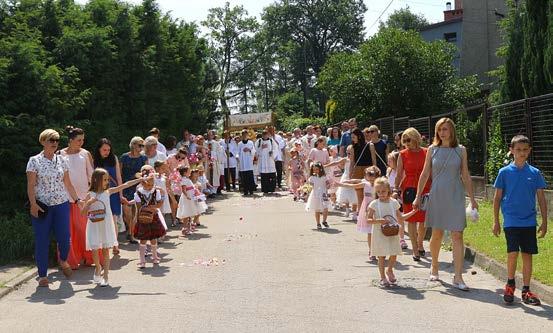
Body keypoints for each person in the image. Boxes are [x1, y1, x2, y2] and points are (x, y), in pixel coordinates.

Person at [414, 118, 478, 291]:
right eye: (440, 129)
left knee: (457, 235)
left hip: (456, 196)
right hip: (437, 195)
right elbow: (425, 173)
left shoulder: (461, 150)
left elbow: (465, 175)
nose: (442, 132)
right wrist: (417, 196)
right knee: (436, 234)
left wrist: (472, 199)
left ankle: (458, 276)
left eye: (446, 129)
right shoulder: (432, 150)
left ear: (452, 131)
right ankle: (434, 266)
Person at [493, 135, 548, 305]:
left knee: (527, 255)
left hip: (529, 222)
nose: (522, 153)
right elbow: (497, 198)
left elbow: (541, 199)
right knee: (512, 253)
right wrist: (495, 221)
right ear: (511, 150)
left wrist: (544, 221)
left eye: (525, 150)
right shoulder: (504, 173)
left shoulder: (535, 173)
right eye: (518, 150)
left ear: (529, 151)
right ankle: (510, 284)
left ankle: (526, 290)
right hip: (511, 220)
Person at [26, 129, 81, 287]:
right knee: (42, 240)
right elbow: (30, 185)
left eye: (56, 140)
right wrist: (33, 204)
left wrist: (77, 200)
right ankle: (42, 275)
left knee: (65, 238)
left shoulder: (62, 160)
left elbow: (68, 183)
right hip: (42, 206)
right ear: (43, 141)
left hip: (62, 204)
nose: (54, 143)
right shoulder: (34, 161)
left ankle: (63, 260)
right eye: (51, 140)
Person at [82, 168, 144, 286]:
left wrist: (139, 179)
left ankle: (106, 274)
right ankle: (98, 267)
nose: (107, 182)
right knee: (95, 250)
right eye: (104, 179)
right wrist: (89, 203)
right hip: (94, 225)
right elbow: (82, 213)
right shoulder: (90, 195)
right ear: (96, 180)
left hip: (106, 224)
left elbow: (125, 185)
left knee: (106, 250)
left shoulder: (107, 192)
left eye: (107, 179)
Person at [367, 177, 417, 287]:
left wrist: (413, 212)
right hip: (380, 233)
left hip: (393, 232)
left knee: (394, 253)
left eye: (383, 191)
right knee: (381, 256)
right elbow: (368, 219)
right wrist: (378, 220)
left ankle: (389, 270)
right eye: (378, 192)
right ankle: (382, 277)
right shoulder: (374, 204)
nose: (381, 194)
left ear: (388, 190)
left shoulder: (394, 203)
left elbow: (401, 218)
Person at [60, 126, 95, 269]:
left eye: (83, 140)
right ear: (70, 140)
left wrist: (91, 194)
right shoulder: (60, 154)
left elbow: (91, 175)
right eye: (78, 140)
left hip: (83, 198)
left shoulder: (85, 154)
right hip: (65, 197)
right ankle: (69, 260)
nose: (81, 142)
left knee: (84, 229)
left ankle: (88, 257)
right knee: (68, 230)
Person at [394, 128, 430, 260]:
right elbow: (398, 174)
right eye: (404, 140)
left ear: (415, 138)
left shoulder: (427, 152)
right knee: (412, 219)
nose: (406, 143)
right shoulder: (402, 154)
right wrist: (395, 189)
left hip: (426, 187)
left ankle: (420, 243)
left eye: (408, 139)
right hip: (409, 188)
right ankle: (415, 249)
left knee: (423, 219)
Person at [337, 166, 380, 260]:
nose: (371, 176)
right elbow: (353, 185)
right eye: (369, 174)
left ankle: (379, 250)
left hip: (378, 208)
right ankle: (371, 251)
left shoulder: (379, 184)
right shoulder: (365, 184)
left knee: (378, 231)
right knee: (370, 231)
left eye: (374, 174)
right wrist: (341, 184)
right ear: (366, 176)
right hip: (368, 209)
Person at [131, 165, 166, 268]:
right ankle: (142, 260)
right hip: (143, 218)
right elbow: (138, 206)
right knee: (143, 239)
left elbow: (160, 203)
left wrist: (154, 207)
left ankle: (155, 256)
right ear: (142, 183)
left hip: (153, 217)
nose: (151, 187)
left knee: (153, 238)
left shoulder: (156, 191)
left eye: (152, 184)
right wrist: (137, 219)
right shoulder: (138, 193)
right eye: (148, 185)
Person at [93, 138, 123, 255]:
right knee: (101, 218)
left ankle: (115, 244)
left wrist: (121, 194)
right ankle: (103, 244)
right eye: (104, 150)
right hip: (100, 193)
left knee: (114, 219)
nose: (107, 152)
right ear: (99, 149)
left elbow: (118, 177)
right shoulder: (94, 160)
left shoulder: (114, 158)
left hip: (113, 191)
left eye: (109, 150)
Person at [120, 137, 147, 244]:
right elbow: (120, 172)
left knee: (136, 212)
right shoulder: (124, 157)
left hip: (138, 187)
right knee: (127, 213)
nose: (141, 148)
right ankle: (129, 230)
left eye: (142, 145)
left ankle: (131, 234)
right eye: (140, 145)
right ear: (133, 145)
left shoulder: (143, 158)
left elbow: (146, 172)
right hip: (126, 186)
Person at [349, 128, 377, 219]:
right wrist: (350, 172)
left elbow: (374, 160)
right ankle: (361, 214)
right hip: (357, 170)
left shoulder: (370, 145)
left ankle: (371, 212)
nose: (352, 138)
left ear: (359, 136)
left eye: (354, 137)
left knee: (370, 192)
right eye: (351, 137)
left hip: (368, 170)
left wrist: (375, 171)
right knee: (359, 193)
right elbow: (352, 161)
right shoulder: (353, 147)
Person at [387, 151, 407, 249]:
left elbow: (402, 184)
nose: (388, 162)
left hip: (399, 196)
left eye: (390, 160)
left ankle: (402, 239)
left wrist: (397, 192)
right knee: (390, 218)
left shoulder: (402, 172)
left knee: (399, 218)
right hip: (389, 196)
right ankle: (391, 237)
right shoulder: (389, 171)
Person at [305, 162, 331, 229]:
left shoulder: (324, 177)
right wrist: (307, 188)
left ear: (320, 169)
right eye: (314, 169)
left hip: (324, 193)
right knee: (317, 209)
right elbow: (310, 185)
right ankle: (318, 223)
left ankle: (324, 221)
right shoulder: (312, 177)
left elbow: (327, 183)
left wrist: (328, 186)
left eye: (317, 169)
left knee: (325, 208)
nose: (315, 171)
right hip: (315, 194)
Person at [176, 166, 200, 235]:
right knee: (186, 212)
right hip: (187, 197)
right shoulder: (184, 180)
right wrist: (187, 196)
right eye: (188, 171)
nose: (190, 172)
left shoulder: (187, 179)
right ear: (184, 173)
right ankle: (185, 228)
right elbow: (183, 189)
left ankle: (188, 227)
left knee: (191, 212)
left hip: (191, 196)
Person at [335, 148, 358, 216]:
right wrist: (326, 165)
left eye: (350, 153)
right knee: (345, 194)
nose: (348, 154)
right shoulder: (345, 159)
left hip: (353, 177)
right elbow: (336, 163)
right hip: (345, 177)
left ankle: (354, 213)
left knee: (354, 195)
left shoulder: (356, 160)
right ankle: (347, 210)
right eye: (347, 153)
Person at [255, 130, 278, 194]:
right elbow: (255, 150)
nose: (265, 136)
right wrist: (261, 148)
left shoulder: (271, 141)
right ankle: (265, 189)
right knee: (264, 176)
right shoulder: (259, 141)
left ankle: (272, 188)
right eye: (264, 134)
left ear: (268, 135)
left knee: (272, 175)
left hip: (270, 160)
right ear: (262, 135)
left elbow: (276, 148)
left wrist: (272, 152)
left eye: (266, 134)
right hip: (263, 160)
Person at [238, 130, 256, 196]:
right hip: (243, 162)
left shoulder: (250, 142)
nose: (245, 136)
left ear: (247, 135)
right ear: (242, 135)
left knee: (250, 177)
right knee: (244, 177)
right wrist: (238, 157)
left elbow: (254, 151)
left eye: (246, 134)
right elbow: (238, 152)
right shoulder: (239, 144)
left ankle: (251, 190)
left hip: (249, 162)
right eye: (243, 134)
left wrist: (249, 150)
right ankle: (245, 190)